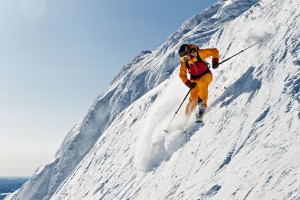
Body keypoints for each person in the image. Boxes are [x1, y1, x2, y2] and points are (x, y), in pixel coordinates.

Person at [178, 44, 219, 122]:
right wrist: (188, 83)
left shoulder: (199, 53)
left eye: (186, 56)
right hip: (194, 80)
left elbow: (214, 51)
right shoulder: (185, 62)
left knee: (202, 83)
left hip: (206, 75)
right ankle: (184, 121)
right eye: (183, 58)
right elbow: (182, 75)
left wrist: (215, 61)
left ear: (189, 52)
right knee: (193, 100)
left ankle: (202, 108)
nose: (185, 58)